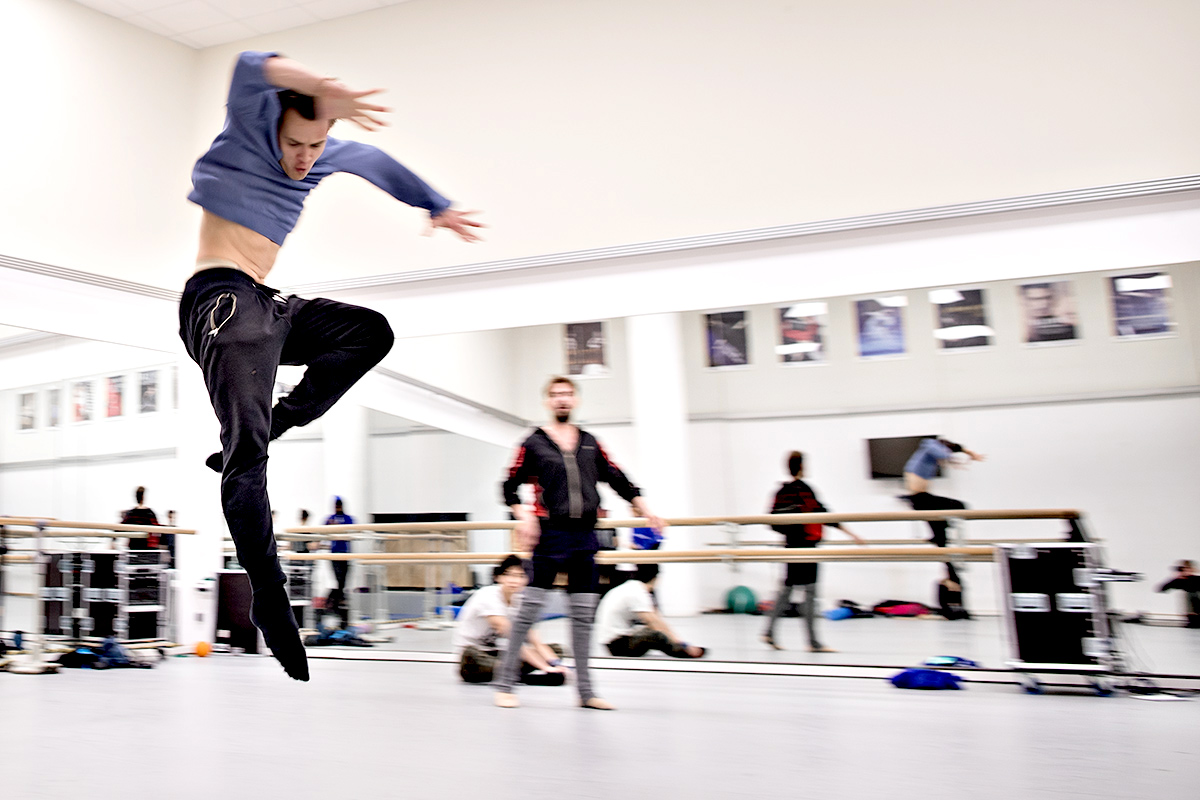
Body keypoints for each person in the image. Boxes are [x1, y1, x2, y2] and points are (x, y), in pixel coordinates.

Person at [178, 51, 483, 681]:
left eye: (316, 146)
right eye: (295, 143)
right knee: (245, 459)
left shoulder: (320, 153)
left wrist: (436, 204)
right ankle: (269, 595)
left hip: (267, 304)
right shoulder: (246, 129)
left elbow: (372, 161)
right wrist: (322, 87)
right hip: (219, 301)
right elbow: (247, 64)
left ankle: (280, 418)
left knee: (369, 332)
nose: (304, 158)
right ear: (274, 127)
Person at [494, 376, 664, 710]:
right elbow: (508, 485)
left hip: (585, 536)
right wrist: (523, 515)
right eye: (555, 395)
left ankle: (586, 692)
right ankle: (505, 683)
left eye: (567, 395)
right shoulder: (534, 442)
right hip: (549, 534)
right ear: (547, 401)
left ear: (575, 401)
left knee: (584, 615)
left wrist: (646, 510)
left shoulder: (590, 442)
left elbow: (618, 478)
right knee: (529, 611)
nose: (561, 400)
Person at [762, 452, 863, 652]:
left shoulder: (791, 491)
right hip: (803, 546)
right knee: (809, 592)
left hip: (795, 546)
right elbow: (820, 513)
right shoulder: (801, 491)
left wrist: (850, 533)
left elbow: (822, 513)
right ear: (800, 467)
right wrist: (851, 534)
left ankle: (770, 632)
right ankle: (812, 642)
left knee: (788, 591)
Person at [902, 437, 984, 618]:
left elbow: (954, 448)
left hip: (924, 499)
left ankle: (951, 577)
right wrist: (952, 460)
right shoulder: (929, 444)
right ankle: (951, 578)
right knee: (960, 506)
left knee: (942, 540)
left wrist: (970, 453)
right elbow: (942, 452)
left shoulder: (933, 452)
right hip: (921, 499)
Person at [455, 555, 568, 685]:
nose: (515, 580)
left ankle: (510, 674)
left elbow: (534, 640)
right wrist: (546, 668)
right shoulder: (487, 596)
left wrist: (556, 664)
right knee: (473, 657)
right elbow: (515, 641)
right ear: (498, 577)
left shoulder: (519, 601)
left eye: (521, 576)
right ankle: (520, 677)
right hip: (475, 656)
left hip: (499, 653)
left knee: (556, 650)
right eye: (510, 575)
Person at [596, 564, 705, 658]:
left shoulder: (630, 587)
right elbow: (656, 623)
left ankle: (682, 648)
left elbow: (654, 618)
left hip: (611, 642)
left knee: (649, 630)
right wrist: (681, 643)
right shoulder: (637, 593)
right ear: (656, 578)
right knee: (656, 635)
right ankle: (686, 651)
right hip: (618, 646)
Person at [324, 498, 354, 627]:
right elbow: (323, 530)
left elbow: (352, 529)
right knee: (338, 580)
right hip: (334, 554)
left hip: (345, 554)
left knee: (342, 582)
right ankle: (336, 603)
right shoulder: (330, 518)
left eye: (339, 506)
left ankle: (336, 603)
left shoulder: (347, 518)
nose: (337, 508)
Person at [1157, 560, 1200, 629]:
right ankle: (1192, 617)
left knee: (1192, 594)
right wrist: (1175, 577)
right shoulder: (1180, 580)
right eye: (1185, 569)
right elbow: (1162, 588)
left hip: (1197, 606)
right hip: (1191, 611)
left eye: (1189, 569)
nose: (1187, 571)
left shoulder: (1197, 579)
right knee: (1188, 594)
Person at [121, 486, 159, 551]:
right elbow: (157, 529)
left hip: (134, 546)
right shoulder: (150, 513)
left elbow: (120, 528)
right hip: (147, 547)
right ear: (143, 497)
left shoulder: (131, 513)